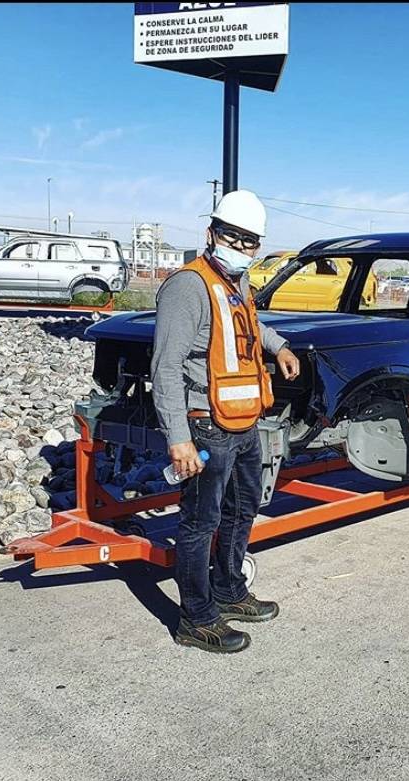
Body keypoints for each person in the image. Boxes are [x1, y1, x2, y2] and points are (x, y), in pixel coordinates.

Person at [151, 190, 301, 654]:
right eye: (233, 236)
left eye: (250, 240)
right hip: (204, 425)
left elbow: (248, 327)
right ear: (211, 233)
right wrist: (177, 439)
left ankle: (229, 591)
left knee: (243, 508)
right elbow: (165, 367)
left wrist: (279, 347)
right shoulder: (187, 286)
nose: (241, 246)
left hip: (243, 422)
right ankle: (195, 619)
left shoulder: (234, 285)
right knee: (200, 521)